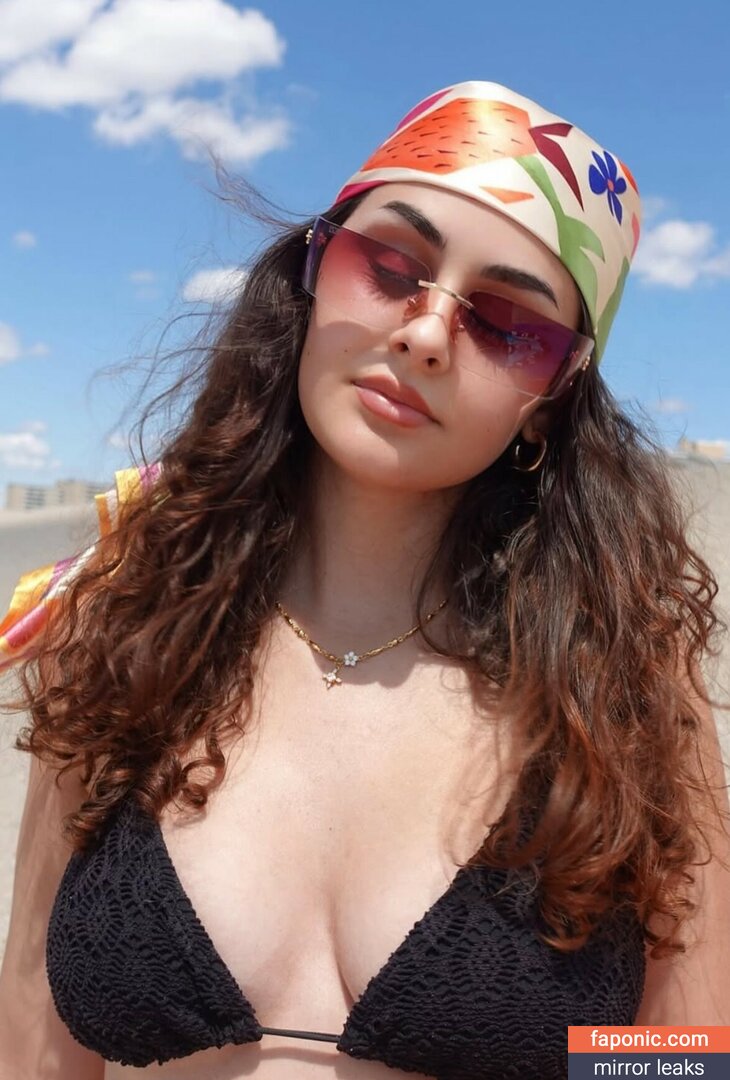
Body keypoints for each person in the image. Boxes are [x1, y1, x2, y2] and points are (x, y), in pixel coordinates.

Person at [0, 80, 728, 1080]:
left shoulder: (624, 689)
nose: (425, 334)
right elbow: (33, 1042)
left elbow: (682, 1055)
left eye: (504, 322)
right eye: (389, 268)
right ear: (312, 272)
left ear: (553, 395)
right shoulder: (120, 625)